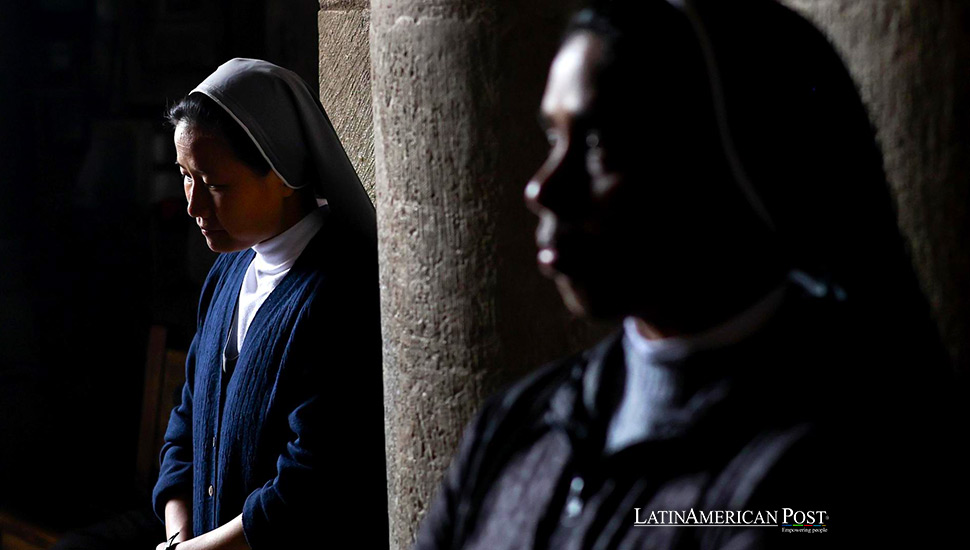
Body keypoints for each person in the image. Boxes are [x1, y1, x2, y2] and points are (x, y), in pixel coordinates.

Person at [413, 1, 961, 549]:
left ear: (733, 165)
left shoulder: (817, 485)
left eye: (601, 144)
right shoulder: (517, 425)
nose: (542, 188)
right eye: (555, 138)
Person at [151, 58, 386, 550]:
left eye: (214, 184)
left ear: (281, 173)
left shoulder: (339, 291)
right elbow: (186, 422)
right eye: (185, 176)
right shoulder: (228, 273)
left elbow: (314, 477)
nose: (192, 205)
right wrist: (179, 537)